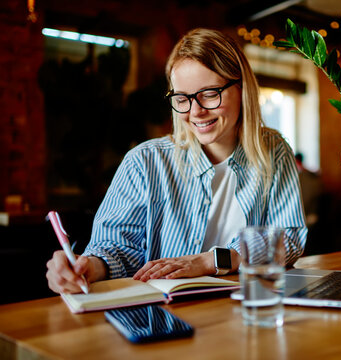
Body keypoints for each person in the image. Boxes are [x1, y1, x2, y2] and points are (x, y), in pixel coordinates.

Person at [46, 28, 307, 294]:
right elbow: (116, 247)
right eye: (182, 98)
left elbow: (289, 238)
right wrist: (88, 268)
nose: (196, 111)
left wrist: (211, 261)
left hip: (247, 308)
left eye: (209, 94)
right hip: (167, 314)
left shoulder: (273, 151)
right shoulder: (145, 161)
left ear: (241, 89)